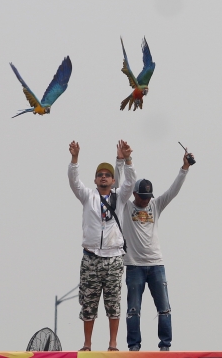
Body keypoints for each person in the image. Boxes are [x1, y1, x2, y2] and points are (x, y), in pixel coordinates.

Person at [117, 150, 194, 352]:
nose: (145, 200)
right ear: (134, 194)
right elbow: (119, 186)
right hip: (134, 265)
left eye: (147, 196)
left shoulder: (155, 205)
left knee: (165, 308)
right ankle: (134, 346)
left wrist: (184, 168)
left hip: (156, 264)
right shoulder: (124, 206)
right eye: (142, 197)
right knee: (134, 309)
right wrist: (125, 161)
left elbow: (172, 191)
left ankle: (165, 346)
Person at [68, 139, 136, 352]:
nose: (103, 177)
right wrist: (75, 158)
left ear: (113, 179)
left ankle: (113, 344)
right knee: (88, 304)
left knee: (113, 303)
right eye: (100, 175)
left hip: (114, 257)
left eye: (107, 175)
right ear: (95, 180)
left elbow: (131, 182)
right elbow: (73, 181)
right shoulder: (88, 196)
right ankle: (87, 345)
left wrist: (128, 159)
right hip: (91, 256)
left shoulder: (120, 197)